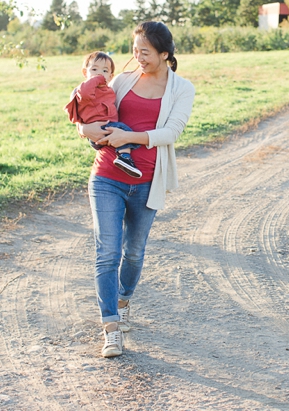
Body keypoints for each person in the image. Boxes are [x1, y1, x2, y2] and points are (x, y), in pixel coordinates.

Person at [77, 21, 195, 358]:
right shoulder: (122, 80)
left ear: (164, 54)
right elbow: (93, 115)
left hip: (146, 181)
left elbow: (171, 133)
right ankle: (111, 327)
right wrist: (84, 130)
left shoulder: (182, 88)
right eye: (134, 50)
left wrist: (128, 137)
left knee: (133, 253)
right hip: (106, 178)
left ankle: (123, 299)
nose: (137, 57)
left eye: (144, 52)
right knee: (108, 253)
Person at [65, 51, 143, 178]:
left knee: (122, 129)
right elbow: (84, 94)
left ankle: (124, 156)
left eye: (105, 71)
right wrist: (95, 80)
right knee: (124, 131)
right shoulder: (84, 89)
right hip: (99, 129)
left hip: (105, 128)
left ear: (111, 76)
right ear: (85, 73)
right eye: (94, 69)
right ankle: (125, 157)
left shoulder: (107, 89)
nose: (100, 73)